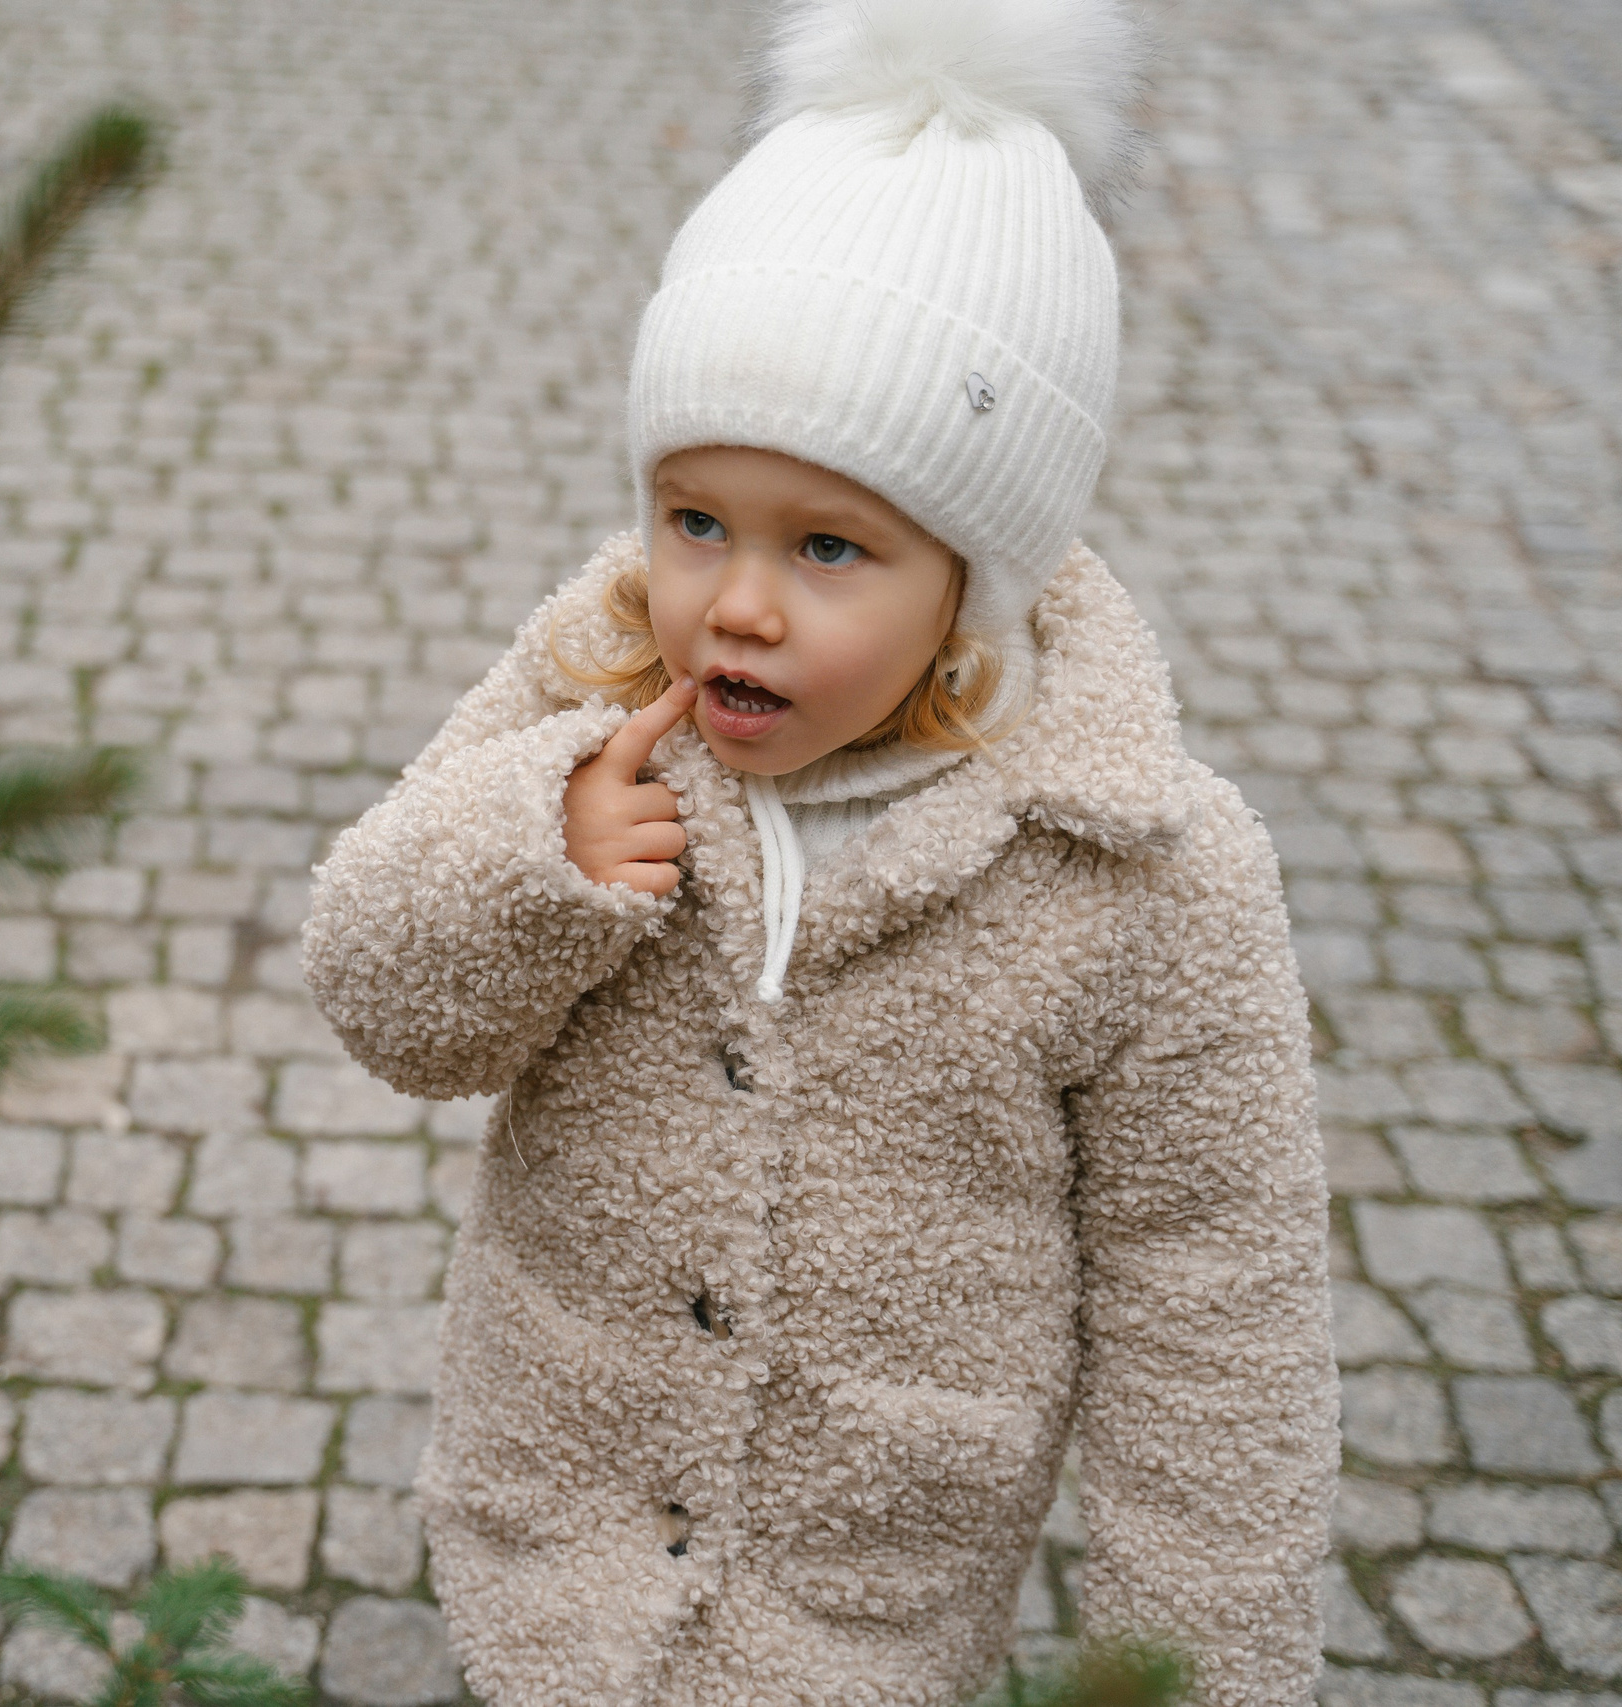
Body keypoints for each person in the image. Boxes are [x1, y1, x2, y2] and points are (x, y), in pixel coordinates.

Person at [299, 1, 1339, 1702]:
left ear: (974, 576)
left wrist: (1198, 1672)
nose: (741, 601)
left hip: (871, 1615)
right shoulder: (590, 693)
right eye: (695, 518)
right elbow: (381, 999)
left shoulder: (1139, 866)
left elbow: (1219, 1321)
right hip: (552, 1566)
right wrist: (528, 863)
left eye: (832, 544)